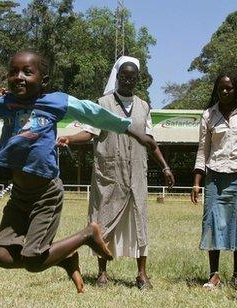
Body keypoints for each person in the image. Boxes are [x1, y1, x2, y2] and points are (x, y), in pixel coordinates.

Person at [0, 50, 156, 293]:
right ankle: (64, 258)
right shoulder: (4, 103)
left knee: (33, 260)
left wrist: (131, 130)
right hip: (20, 195)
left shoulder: (56, 101)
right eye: (13, 72)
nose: (19, 77)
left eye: (27, 72)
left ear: (43, 81)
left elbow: (93, 114)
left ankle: (87, 235)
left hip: (46, 194)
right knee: (2, 256)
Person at [56, 56, 174, 290]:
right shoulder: (103, 103)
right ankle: (102, 272)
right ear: (117, 77)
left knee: (140, 220)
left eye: (132, 77)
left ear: (137, 79)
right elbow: (90, 133)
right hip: (109, 172)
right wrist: (69, 138)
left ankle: (142, 274)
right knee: (103, 219)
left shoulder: (143, 106)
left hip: (136, 173)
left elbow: (149, 140)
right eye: (123, 76)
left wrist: (165, 166)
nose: (128, 80)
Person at [190, 72, 237, 289]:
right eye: (221, 88)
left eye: (229, 88)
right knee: (212, 221)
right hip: (215, 174)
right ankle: (214, 275)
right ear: (216, 89)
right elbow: (203, 150)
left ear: (236, 89)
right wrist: (197, 181)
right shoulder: (208, 115)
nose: (225, 91)